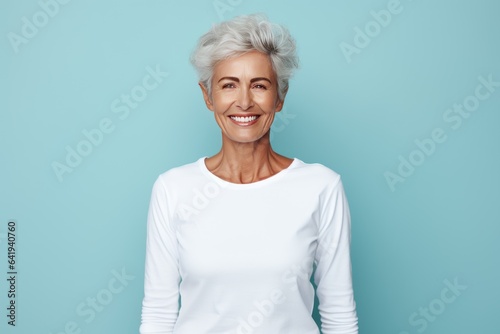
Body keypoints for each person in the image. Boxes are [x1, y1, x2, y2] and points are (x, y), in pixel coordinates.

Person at [139, 13, 358, 334]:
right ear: (208, 96)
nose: (244, 102)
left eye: (259, 85)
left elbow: (339, 314)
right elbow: (158, 314)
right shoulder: (173, 189)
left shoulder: (321, 186)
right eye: (229, 85)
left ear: (279, 97)